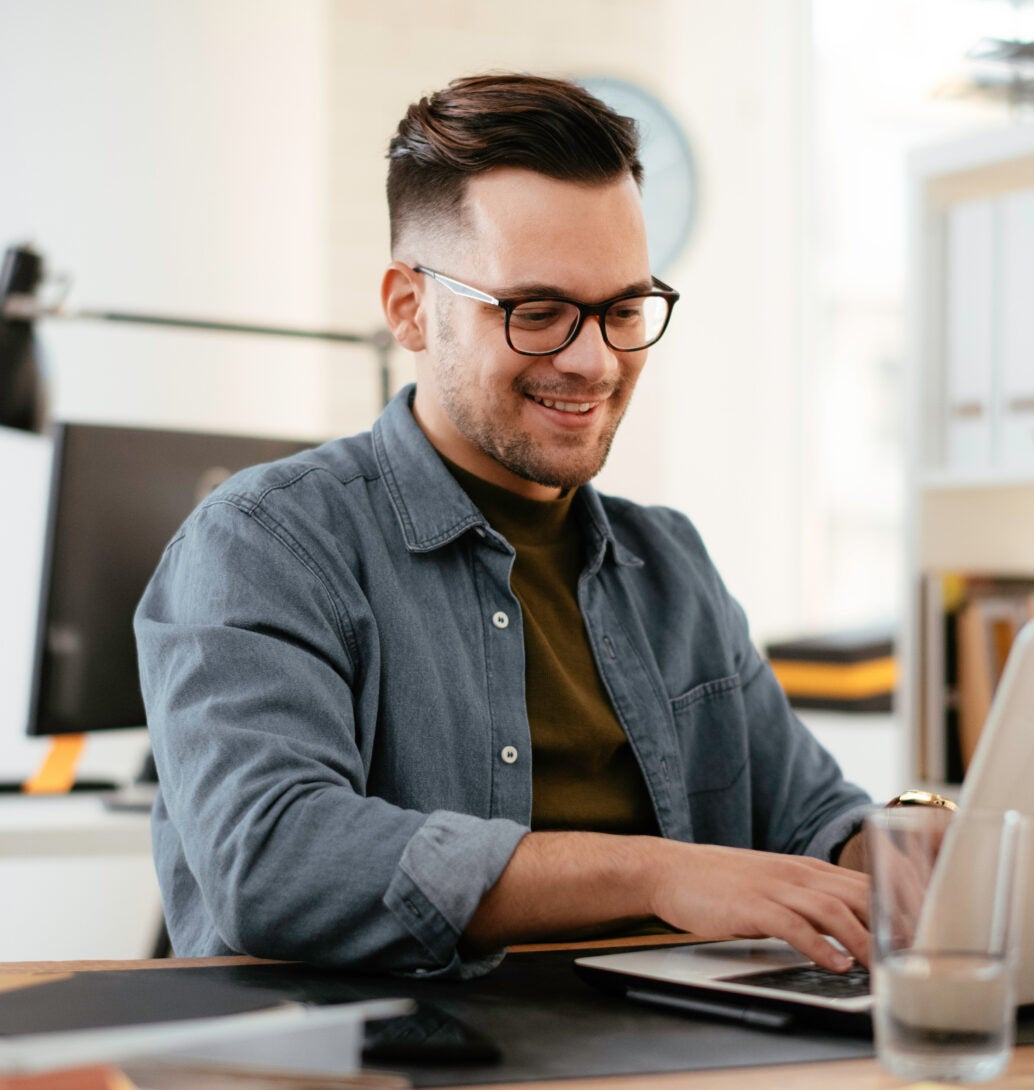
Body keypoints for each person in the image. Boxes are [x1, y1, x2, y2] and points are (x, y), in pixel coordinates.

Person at [135, 73, 873, 979]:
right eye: (538, 313)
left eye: (624, 310)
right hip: (386, 1064)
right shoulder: (263, 541)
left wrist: (935, 861)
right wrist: (657, 874)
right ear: (410, 305)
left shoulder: (668, 560)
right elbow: (276, 858)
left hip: (679, 1057)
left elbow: (809, 819)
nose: (593, 359)